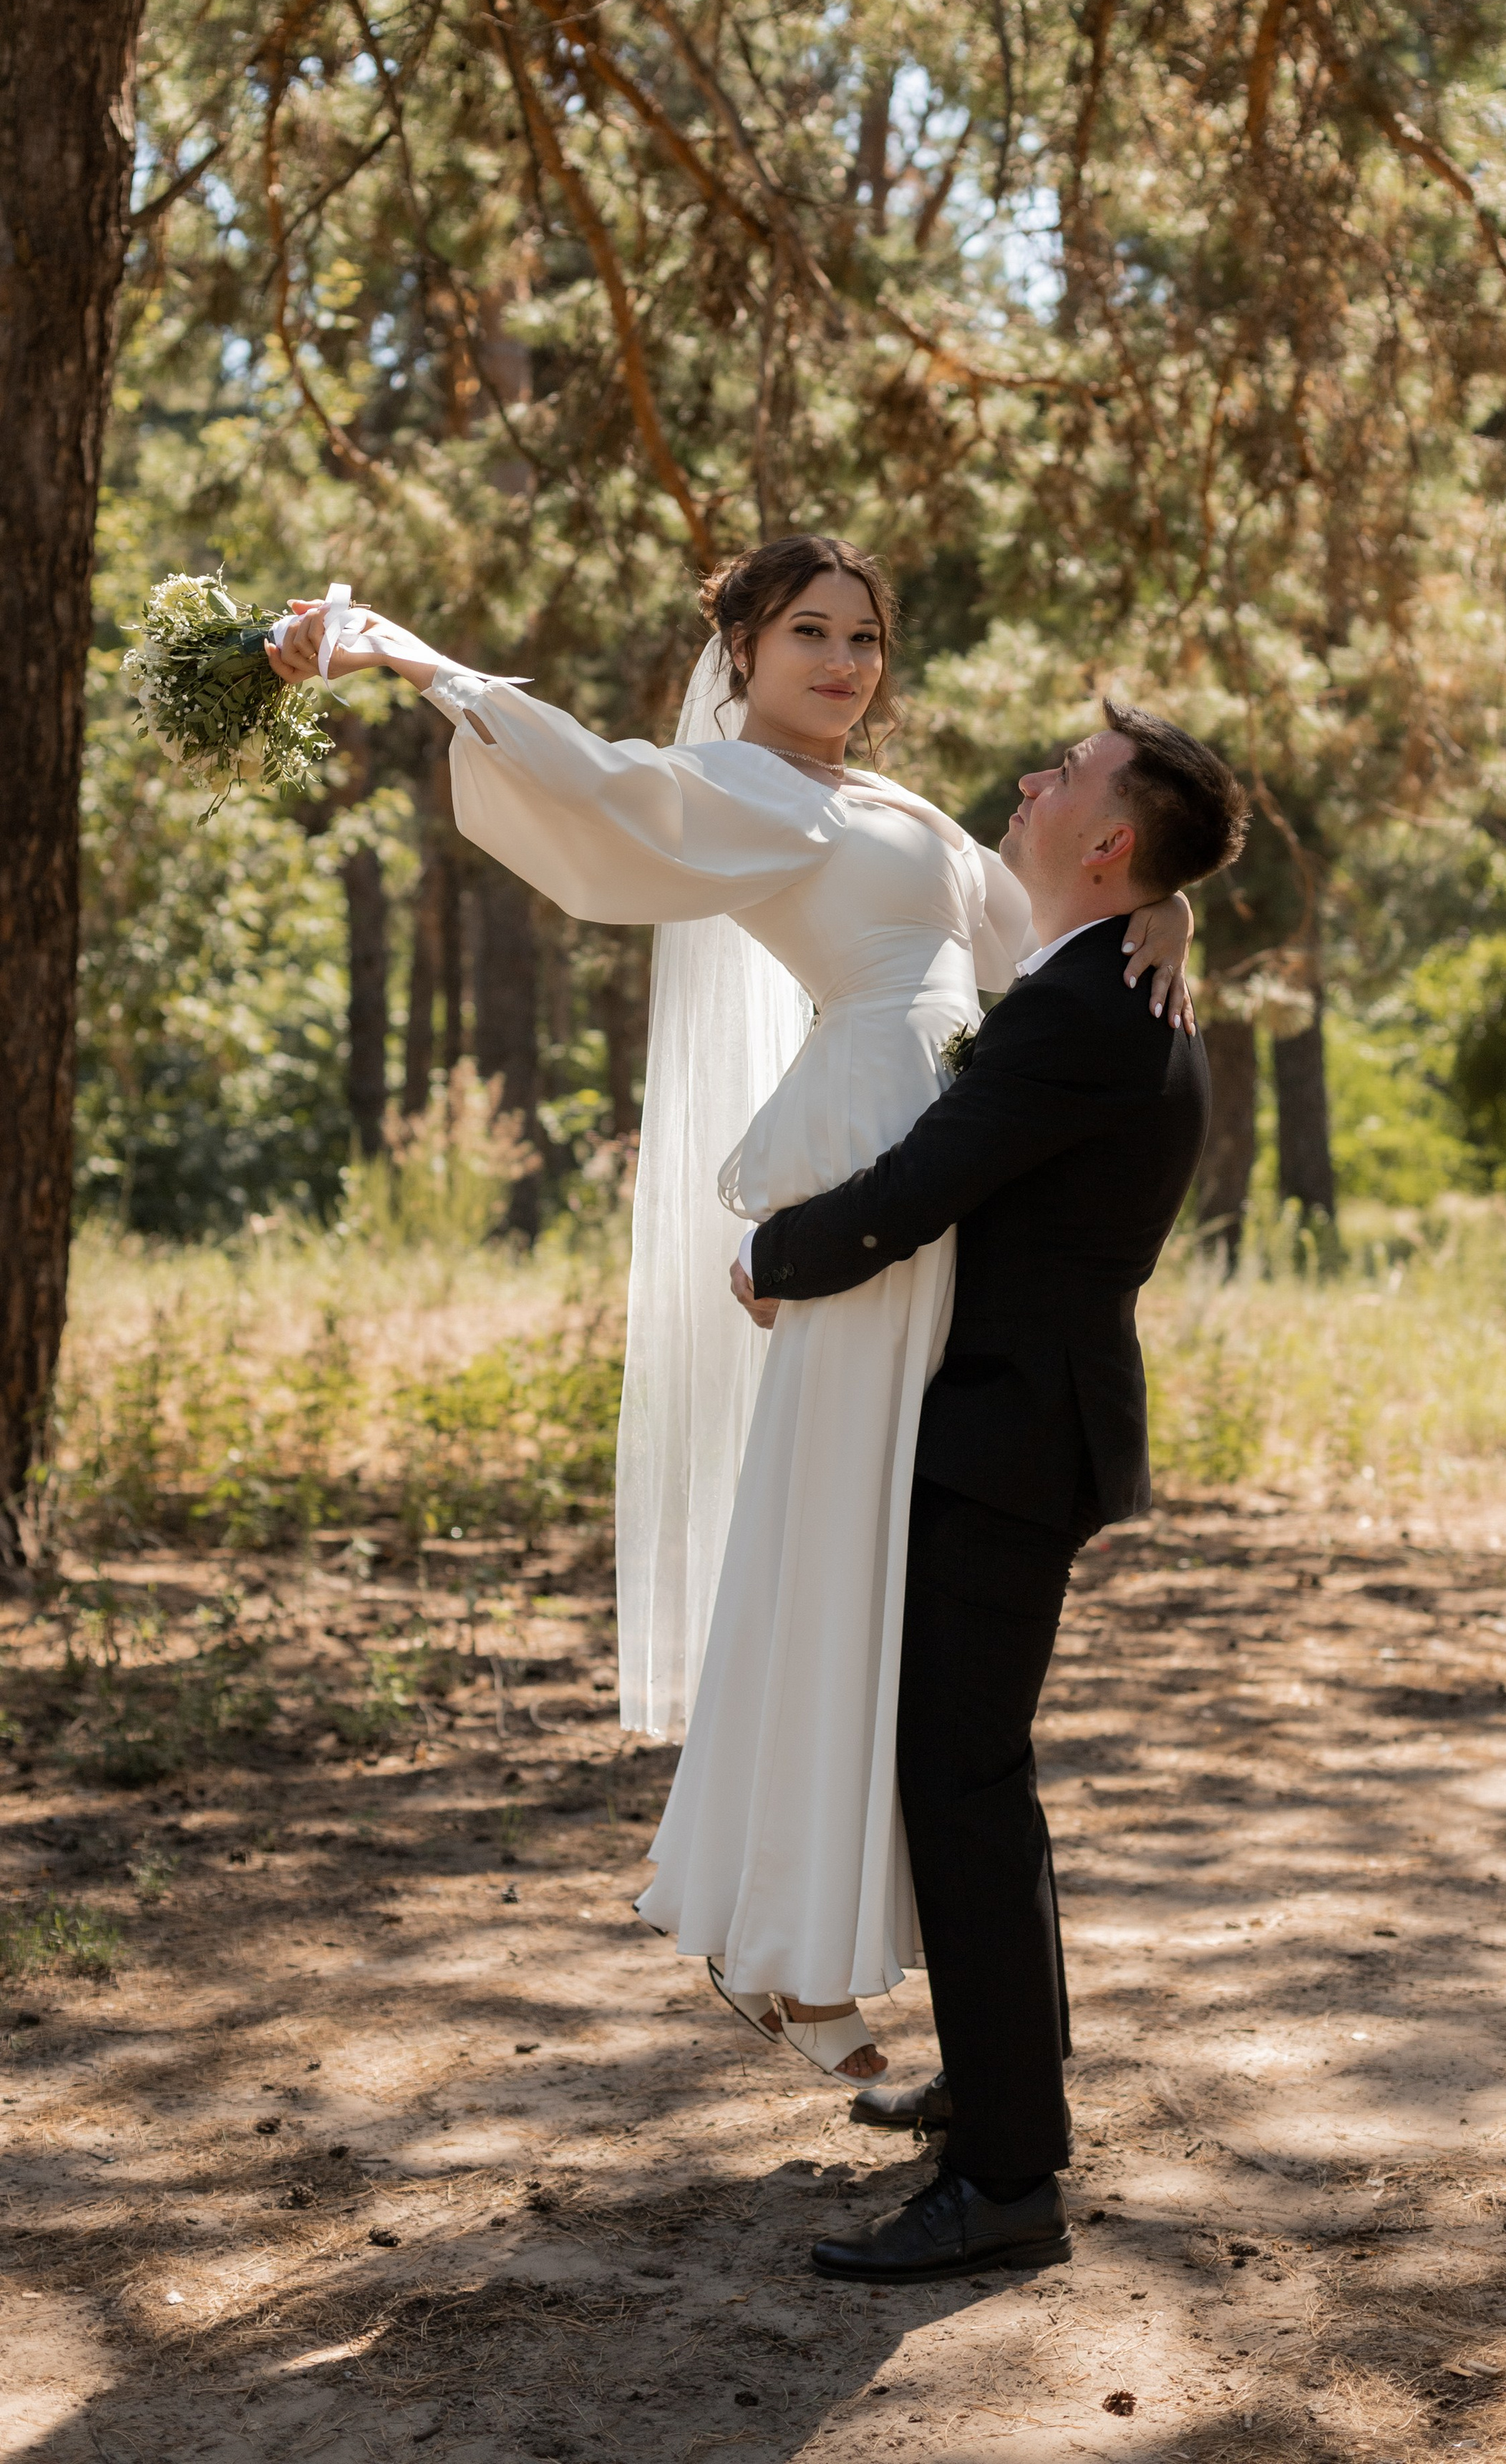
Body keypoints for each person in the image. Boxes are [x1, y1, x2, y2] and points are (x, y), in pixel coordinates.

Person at [266, 541, 1196, 2081]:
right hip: (876, 1162)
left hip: (939, 1167)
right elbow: (602, 787)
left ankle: (803, 1938)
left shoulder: (883, 806)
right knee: (837, 1537)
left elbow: (1040, 932)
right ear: (743, 652)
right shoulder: (752, 790)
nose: (841, 663)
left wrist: (1167, 916)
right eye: (806, 635)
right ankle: (776, 1939)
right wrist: (409, 659)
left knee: (873, 1558)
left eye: (862, 638)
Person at [732, 701, 1249, 2278]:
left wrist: (774, 1256)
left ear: (1104, 841)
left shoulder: (1085, 1011)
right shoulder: (1098, 970)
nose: (1025, 784)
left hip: (1006, 1439)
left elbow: (917, 1187)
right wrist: (1166, 895)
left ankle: (1011, 2181)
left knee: (961, 1789)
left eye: (1063, 780)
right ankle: (997, 2089)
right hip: (1015, 1425)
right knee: (967, 1781)